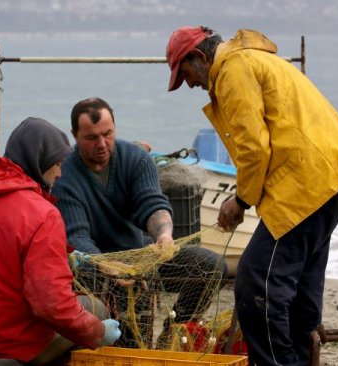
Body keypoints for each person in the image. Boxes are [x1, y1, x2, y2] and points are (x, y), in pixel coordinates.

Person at [166, 26, 338, 365]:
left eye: (187, 75)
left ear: (198, 57)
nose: (192, 85)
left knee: (256, 283)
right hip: (332, 175)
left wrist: (240, 201)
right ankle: (302, 356)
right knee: (299, 284)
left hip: (306, 184)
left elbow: (254, 148)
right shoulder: (253, 60)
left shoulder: (232, 71)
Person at [0, 117, 121, 365]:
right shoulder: (42, 214)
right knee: (95, 308)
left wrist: (65, 259)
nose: (60, 173)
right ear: (39, 161)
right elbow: (51, 305)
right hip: (6, 343)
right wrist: (96, 332)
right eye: (57, 164)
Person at [51, 97, 228, 347]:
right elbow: (77, 238)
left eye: (108, 134)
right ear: (75, 136)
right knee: (131, 340)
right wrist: (110, 268)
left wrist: (164, 235)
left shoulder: (136, 159)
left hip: (141, 256)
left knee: (212, 266)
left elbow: (153, 205)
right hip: (94, 268)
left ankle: (172, 334)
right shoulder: (65, 174)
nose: (102, 144)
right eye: (91, 138)